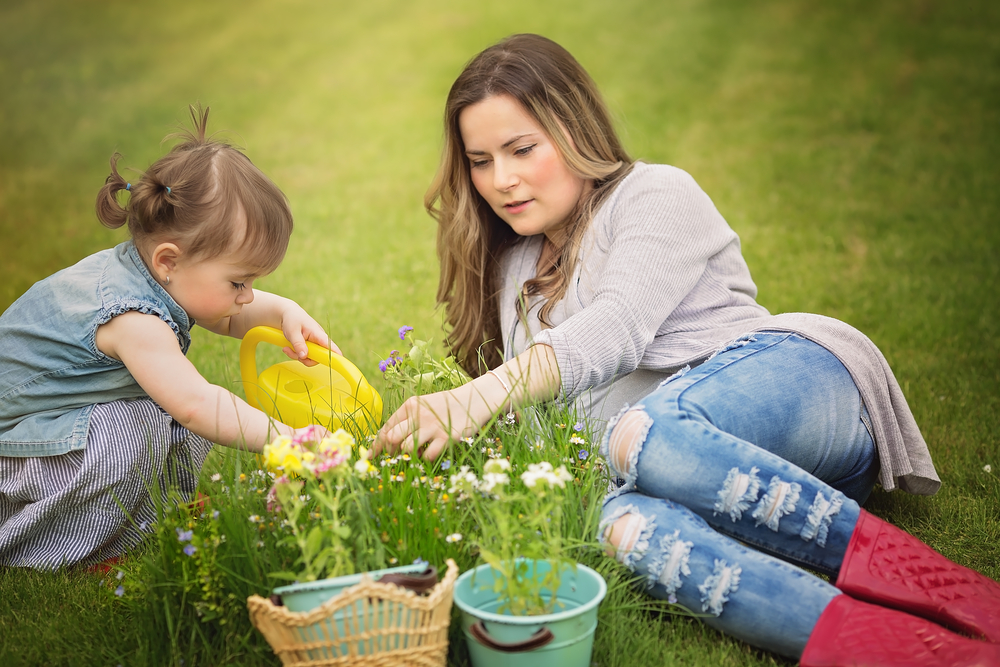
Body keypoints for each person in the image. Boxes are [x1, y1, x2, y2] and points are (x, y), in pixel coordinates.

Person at [376, 34, 1000, 665]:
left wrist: (479, 394)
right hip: (699, 477)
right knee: (623, 530)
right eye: (481, 161)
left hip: (802, 384)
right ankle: (907, 651)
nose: (501, 180)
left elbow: (617, 327)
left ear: (573, 130)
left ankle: (960, 597)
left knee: (642, 430)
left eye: (521, 149)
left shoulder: (653, 195)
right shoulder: (511, 273)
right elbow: (557, 441)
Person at [0, 106, 336, 570]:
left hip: (54, 431)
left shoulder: (161, 277)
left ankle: (150, 517)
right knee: (144, 430)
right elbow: (196, 405)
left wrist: (283, 311)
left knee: (160, 419)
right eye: (239, 282)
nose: (247, 296)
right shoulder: (132, 318)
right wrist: (285, 438)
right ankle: (63, 546)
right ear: (168, 261)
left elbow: (228, 315)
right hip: (17, 452)